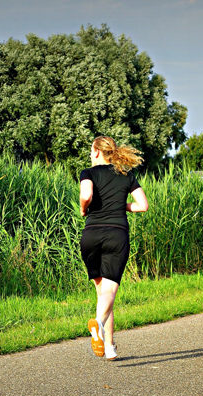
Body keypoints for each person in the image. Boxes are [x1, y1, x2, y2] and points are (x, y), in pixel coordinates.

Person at [80, 136, 149, 360]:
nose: (90, 155)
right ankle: (98, 324)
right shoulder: (126, 176)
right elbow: (143, 206)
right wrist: (123, 206)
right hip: (116, 234)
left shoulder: (88, 173)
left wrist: (83, 209)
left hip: (91, 235)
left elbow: (86, 195)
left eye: (91, 151)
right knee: (109, 293)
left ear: (97, 152)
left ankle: (109, 347)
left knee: (103, 294)